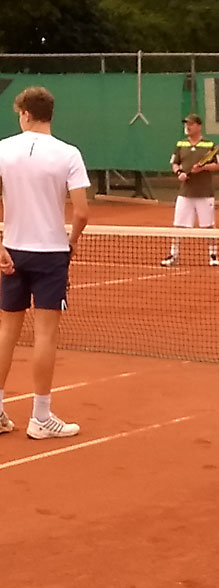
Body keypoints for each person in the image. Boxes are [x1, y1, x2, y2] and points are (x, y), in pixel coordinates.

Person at [0, 86, 90, 439]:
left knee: (6, 331)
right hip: (51, 254)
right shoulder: (69, 154)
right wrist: (71, 243)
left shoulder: (3, 149)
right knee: (45, 334)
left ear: (25, 114)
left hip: (12, 251)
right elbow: (81, 213)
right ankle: (40, 417)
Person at [161, 113, 219, 267]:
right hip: (185, 193)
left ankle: (213, 255)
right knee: (178, 225)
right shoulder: (180, 144)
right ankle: (174, 255)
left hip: (205, 193)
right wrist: (179, 173)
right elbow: (175, 163)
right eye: (186, 124)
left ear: (199, 126)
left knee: (208, 226)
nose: (187, 127)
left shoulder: (209, 145)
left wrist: (203, 168)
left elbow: (217, 165)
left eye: (191, 124)